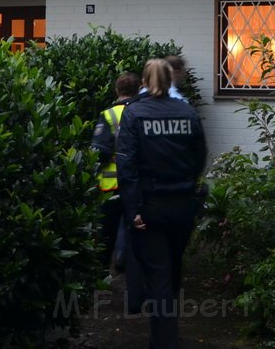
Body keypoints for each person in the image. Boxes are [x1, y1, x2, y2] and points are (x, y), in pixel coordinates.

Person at [117, 58, 207, 349]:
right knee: (172, 268)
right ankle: (167, 330)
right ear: (171, 82)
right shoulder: (187, 112)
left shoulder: (134, 114)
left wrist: (133, 211)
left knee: (158, 276)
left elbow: (126, 167)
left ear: (144, 82)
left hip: (150, 207)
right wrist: (188, 188)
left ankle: (164, 340)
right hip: (181, 205)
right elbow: (199, 156)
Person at [90, 71, 141, 269]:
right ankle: (127, 263)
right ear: (138, 90)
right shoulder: (141, 113)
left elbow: (98, 152)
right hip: (135, 184)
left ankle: (103, 271)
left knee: (107, 233)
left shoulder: (109, 114)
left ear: (117, 90)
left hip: (110, 185)